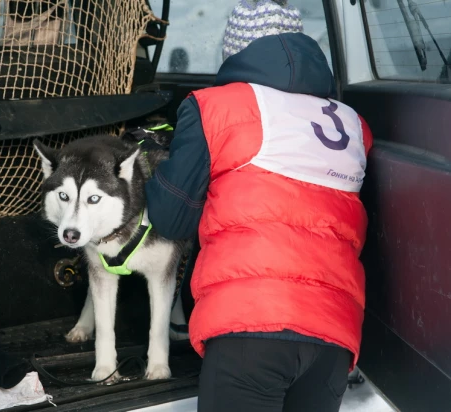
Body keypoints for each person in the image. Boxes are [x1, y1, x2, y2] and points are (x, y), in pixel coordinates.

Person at [144, 1, 373, 411]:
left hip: (251, 329)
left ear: (235, 54)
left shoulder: (216, 106)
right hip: (335, 337)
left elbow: (170, 218)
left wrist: (153, 166)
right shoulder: (352, 123)